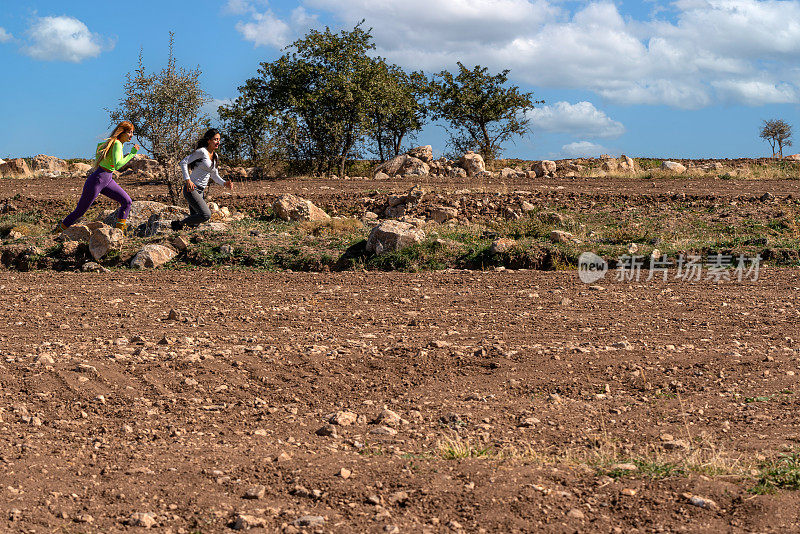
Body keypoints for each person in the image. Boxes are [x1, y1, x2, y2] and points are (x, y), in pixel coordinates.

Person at [58, 121, 138, 233]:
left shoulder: (117, 144)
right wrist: (132, 154)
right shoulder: (117, 144)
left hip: (107, 179)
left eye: (132, 132)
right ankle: (58, 233)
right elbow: (118, 165)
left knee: (127, 201)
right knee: (80, 211)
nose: (132, 135)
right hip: (98, 179)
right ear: (122, 132)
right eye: (129, 132)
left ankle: (119, 233)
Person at [172, 128, 233, 230]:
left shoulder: (215, 156)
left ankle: (182, 236)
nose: (218, 142)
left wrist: (224, 183)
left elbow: (214, 175)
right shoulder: (202, 152)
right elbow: (183, 162)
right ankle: (178, 224)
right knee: (206, 215)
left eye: (218, 140)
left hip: (201, 191)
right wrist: (188, 180)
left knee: (195, 223)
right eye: (215, 139)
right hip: (191, 189)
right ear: (208, 140)